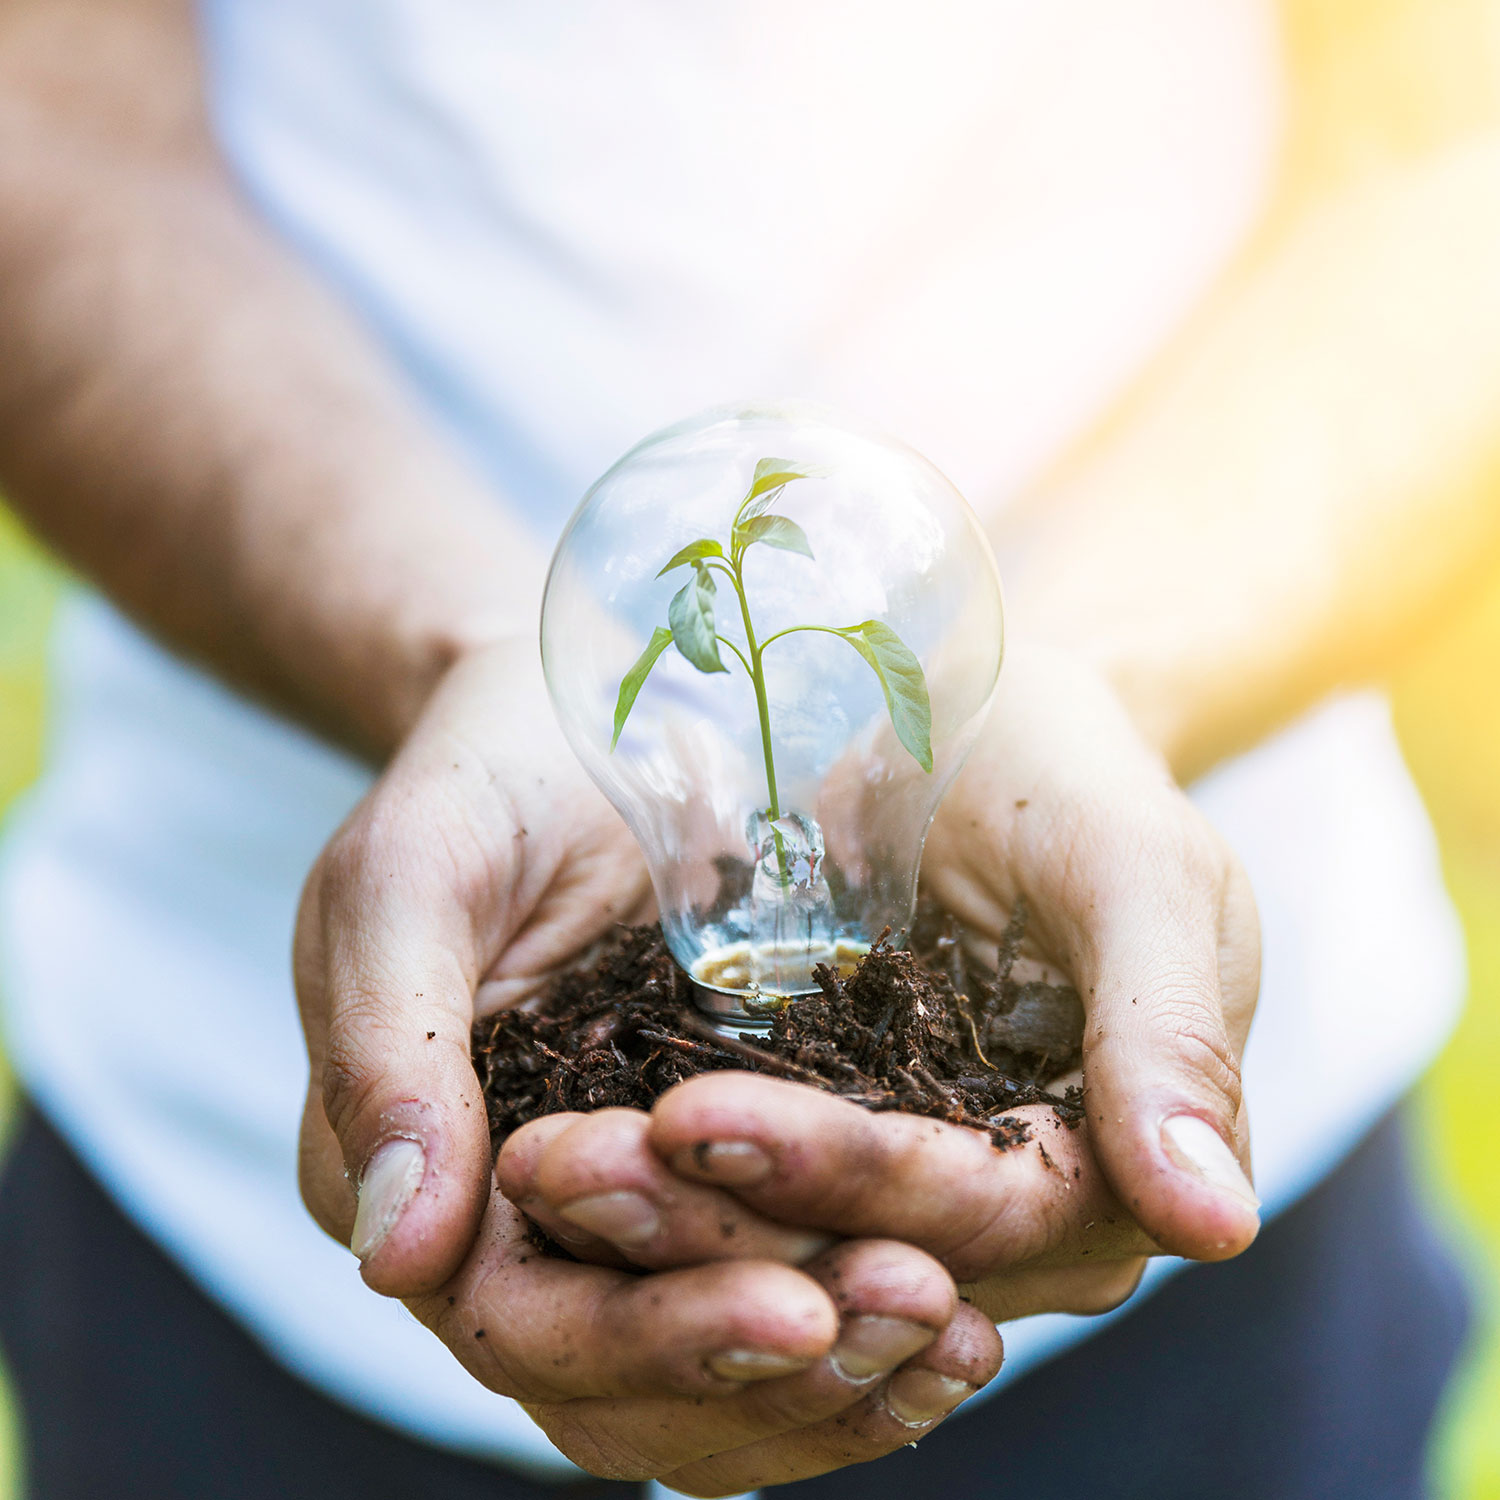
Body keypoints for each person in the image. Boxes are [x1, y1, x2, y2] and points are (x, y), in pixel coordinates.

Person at [0, 0, 1491, 1494]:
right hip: (233, 1162)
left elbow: (1452, 141)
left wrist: (1091, 680)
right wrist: (450, 651)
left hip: (1197, 1157)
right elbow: (40, 126)